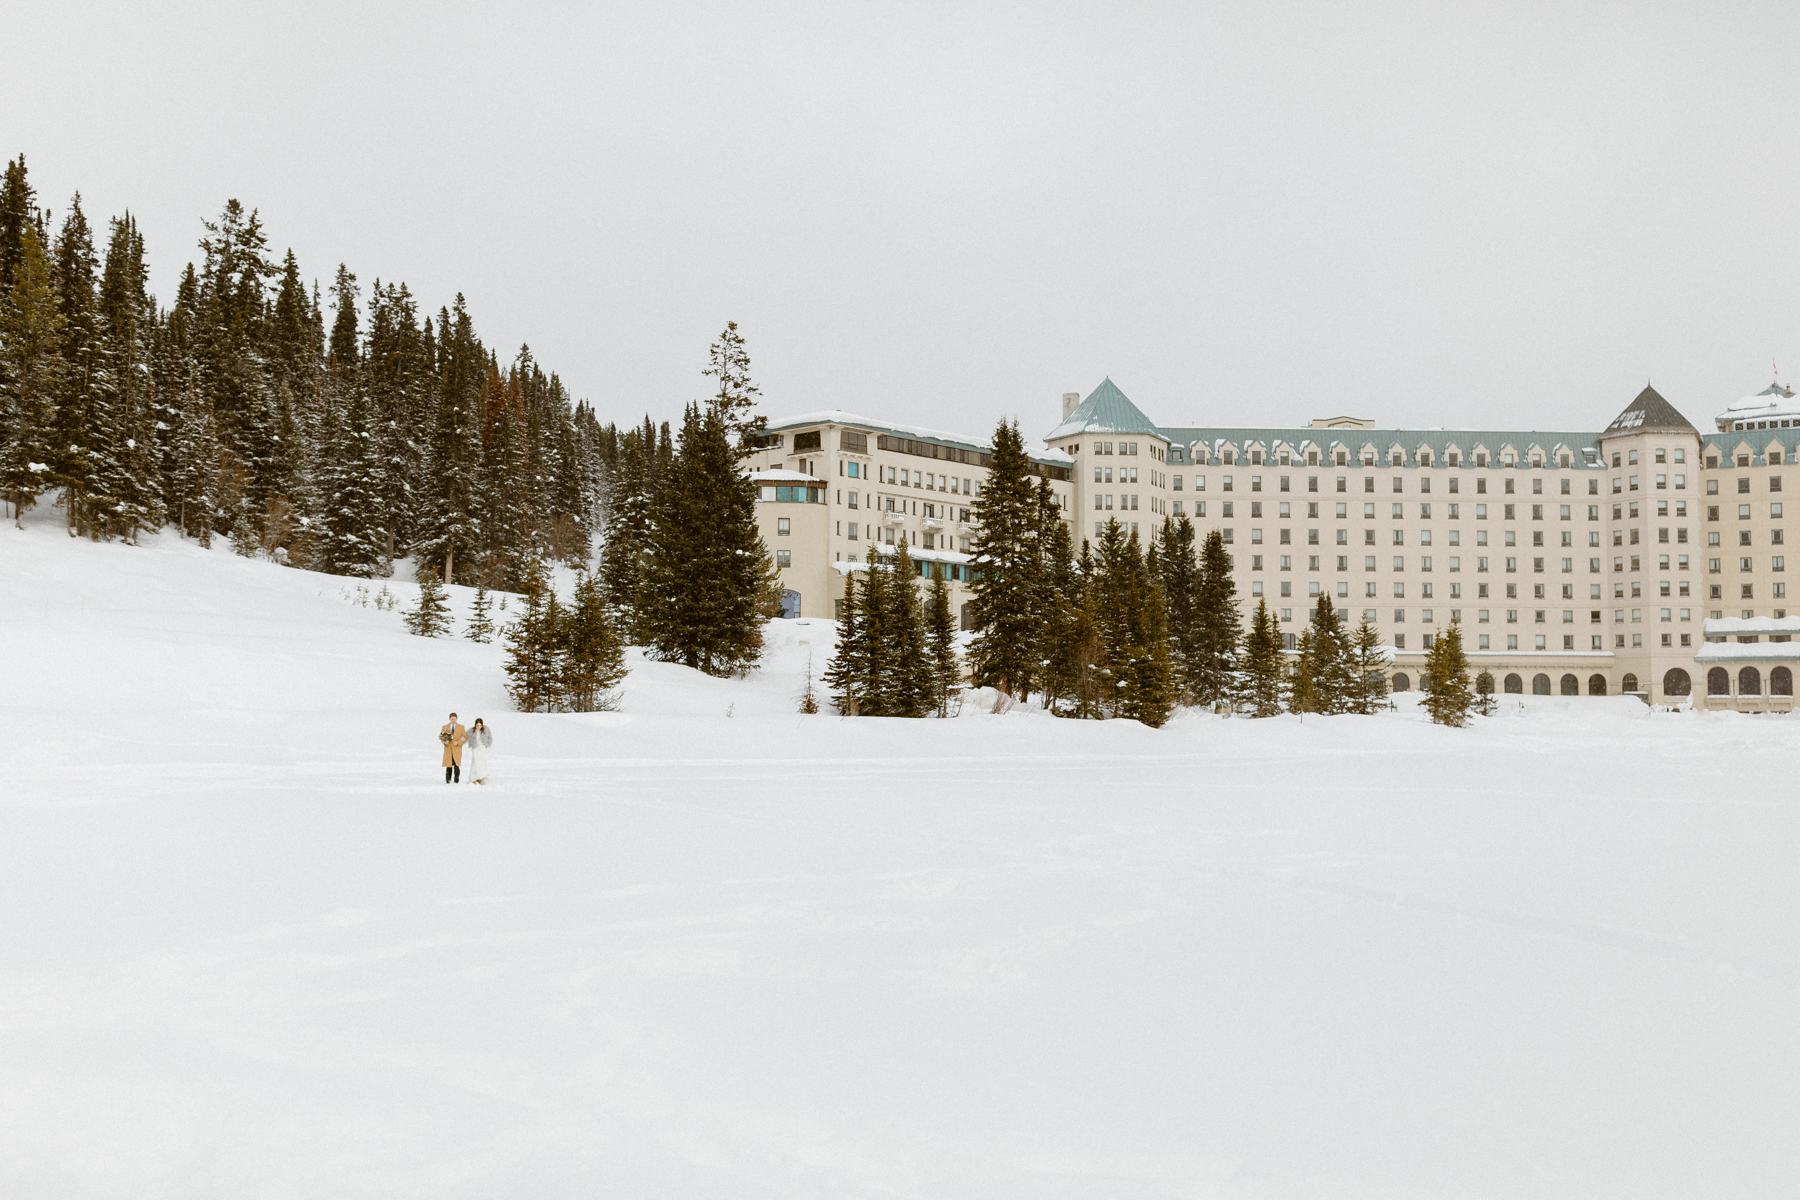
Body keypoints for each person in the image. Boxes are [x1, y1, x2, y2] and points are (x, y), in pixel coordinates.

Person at [440, 712, 467, 783]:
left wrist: (458, 742)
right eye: (452, 719)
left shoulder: (461, 727)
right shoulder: (445, 727)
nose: (453, 720)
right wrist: (445, 742)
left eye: (454, 719)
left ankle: (456, 779)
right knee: (448, 764)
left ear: (456, 719)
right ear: (449, 719)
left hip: (457, 749)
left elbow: (465, 737)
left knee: (456, 764)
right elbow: (442, 737)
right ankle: (448, 779)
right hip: (448, 748)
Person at [467, 718, 492, 785]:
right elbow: (465, 736)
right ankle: (474, 778)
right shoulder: (471, 730)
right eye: (477, 725)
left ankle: (481, 778)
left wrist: (487, 744)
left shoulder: (486, 729)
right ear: (475, 725)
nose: (478, 727)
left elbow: (490, 737)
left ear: (482, 725)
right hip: (475, 748)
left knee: (482, 762)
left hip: (482, 748)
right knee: (475, 762)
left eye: (480, 725)